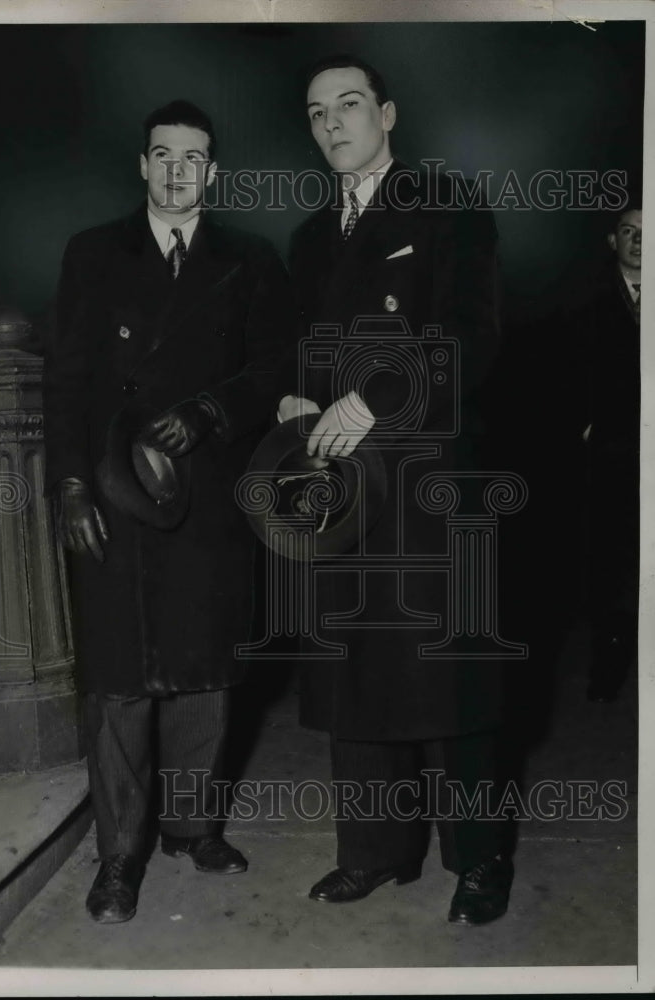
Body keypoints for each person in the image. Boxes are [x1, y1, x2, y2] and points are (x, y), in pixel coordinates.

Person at [43, 100, 295, 923]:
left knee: (205, 674)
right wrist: (71, 485)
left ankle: (193, 827)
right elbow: (66, 379)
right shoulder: (92, 252)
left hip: (208, 493)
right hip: (114, 490)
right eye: (163, 155)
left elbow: (276, 367)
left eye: (193, 157)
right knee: (118, 679)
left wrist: (212, 412)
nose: (177, 170)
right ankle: (120, 857)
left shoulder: (249, 258)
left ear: (213, 171)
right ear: (142, 165)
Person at [280, 54, 513, 924]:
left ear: (387, 114)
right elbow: (304, 352)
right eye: (317, 113)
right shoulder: (310, 238)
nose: (332, 123)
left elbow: (472, 339)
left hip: (430, 483)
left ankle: (480, 859)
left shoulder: (448, 207)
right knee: (354, 671)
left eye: (349, 105)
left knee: (449, 680)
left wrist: (373, 399)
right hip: (343, 490)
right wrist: (297, 397)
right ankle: (374, 852)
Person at [582, 206, 641, 702]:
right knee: (613, 557)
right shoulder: (589, 302)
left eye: (648, 232)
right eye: (629, 231)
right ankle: (609, 661)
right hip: (614, 449)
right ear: (612, 241)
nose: (639, 241)